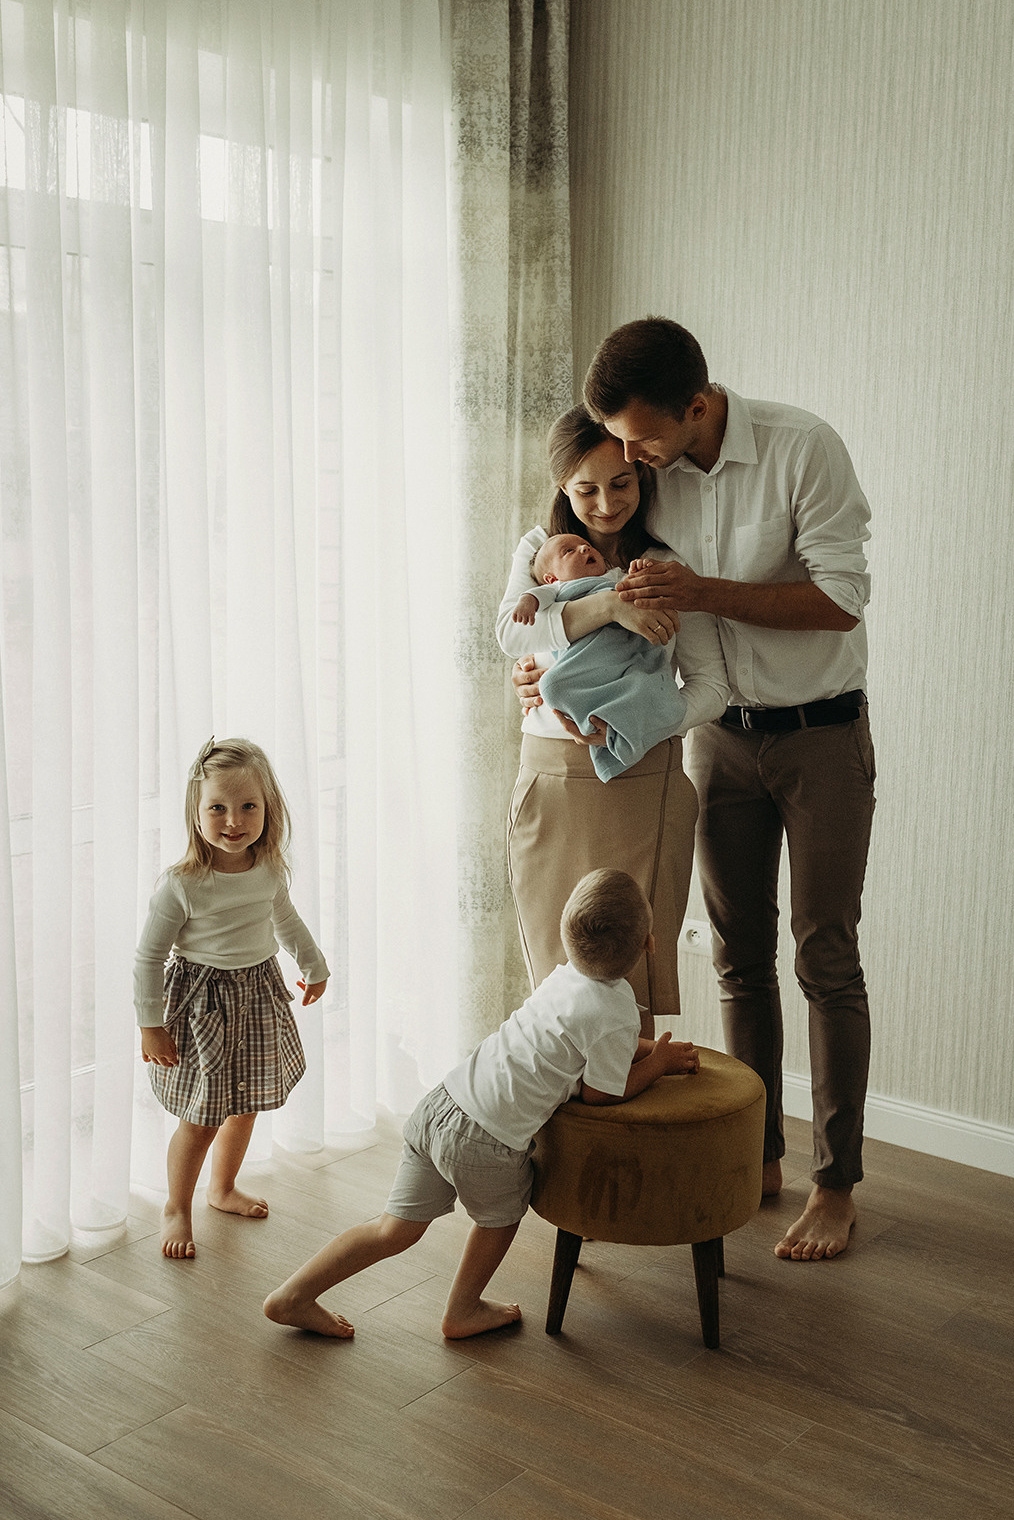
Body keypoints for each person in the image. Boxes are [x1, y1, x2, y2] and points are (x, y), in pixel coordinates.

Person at [558, 315, 873, 1263]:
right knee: (738, 957)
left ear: (696, 406)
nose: (629, 460)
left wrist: (702, 592)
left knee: (825, 956)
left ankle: (836, 1184)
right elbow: (571, 553)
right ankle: (760, 1156)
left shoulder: (802, 448)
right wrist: (545, 658)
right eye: (618, 442)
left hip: (821, 737)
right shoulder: (647, 472)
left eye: (642, 439)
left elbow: (840, 600)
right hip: (717, 741)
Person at [263, 869, 700, 1340]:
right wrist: (658, 1064)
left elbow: (586, 1041)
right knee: (501, 1220)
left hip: (442, 1105)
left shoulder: (563, 978)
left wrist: (648, 1051)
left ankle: (293, 1295)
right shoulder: (615, 1009)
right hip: (485, 1140)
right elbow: (602, 1092)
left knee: (391, 1230)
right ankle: (463, 1310)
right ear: (649, 944)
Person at [498, 405, 729, 1038]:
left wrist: (643, 721)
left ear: (642, 475)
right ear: (562, 489)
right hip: (549, 784)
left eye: (621, 483)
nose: (605, 505)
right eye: (586, 489)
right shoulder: (539, 553)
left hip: (642, 785)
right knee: (552, 988)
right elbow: (511, 636)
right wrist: (610, 608)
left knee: (631, 986)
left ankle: (632, 1097)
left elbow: (712, 688)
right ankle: (563, 1107)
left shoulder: (664, 563)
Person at [135, 736, 329, 1260]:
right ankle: (176, 1205)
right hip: (204, 1007)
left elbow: (285, 921)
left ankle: (222, 1188)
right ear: (196, 813)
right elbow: (149, 958)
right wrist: (150, 1024)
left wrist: (314, 966)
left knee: (246, 1106)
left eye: (248, 806)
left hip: (259, 996)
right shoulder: (182, 884)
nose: (234, 820)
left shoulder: (268, 870)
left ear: (268, 809)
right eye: (217, 808)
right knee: (201, 1117)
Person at [511, 533, 690, 782]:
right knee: (552, 686)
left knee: (640, 684)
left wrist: (641, 571)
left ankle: (628, 725)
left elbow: (634, 586)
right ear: (552, 578)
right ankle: (595, 724)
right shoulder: (557, 590)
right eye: (569, 551)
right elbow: (534, 599)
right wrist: (526, 603)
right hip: (586, 661)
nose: (584, 548)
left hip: (623, 652)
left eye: (585, 545)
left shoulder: (613, 578)